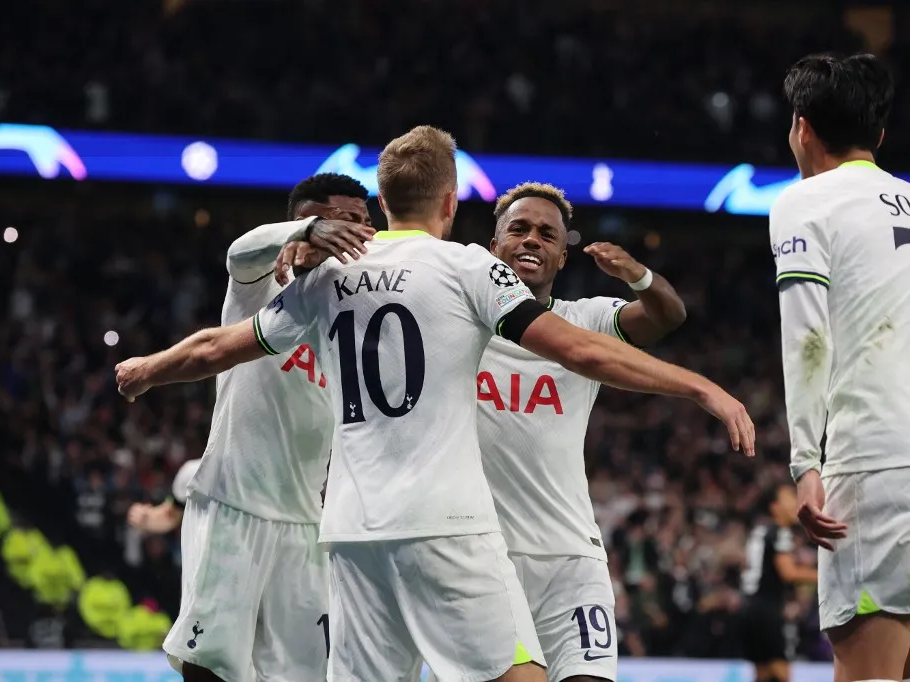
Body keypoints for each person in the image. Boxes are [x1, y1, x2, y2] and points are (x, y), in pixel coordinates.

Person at [116, 125, 755, 682]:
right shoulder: (468, 268)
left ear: (382, 203)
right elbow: (581, 352)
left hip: (350, 533)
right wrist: (699, 385)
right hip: (446, 526)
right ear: (451, 202)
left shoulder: (327, 279)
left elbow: (216, 349)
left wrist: (147, 369)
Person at [156, 173, 375, 682]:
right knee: (209, 663)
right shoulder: (262, 283)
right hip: (233, 505)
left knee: (305, 673)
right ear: (306, 221)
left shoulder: (352, 310)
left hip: (305, 524)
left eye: (368, 223)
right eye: (349, 221)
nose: (363, 233)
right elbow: (239, 251)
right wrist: (306, 233)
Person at [472, 182, 686, 682]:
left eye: (548, 234)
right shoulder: (460, 323)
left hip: (572, 560)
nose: (532, 241)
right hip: (483, 562)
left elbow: (668, 316)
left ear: (562, 258)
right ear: (492, 248)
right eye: (519, 229)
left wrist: (639, 275)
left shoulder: (584, 320)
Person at [771, 52, 910, 682]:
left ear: (802, 127)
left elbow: (807, 340)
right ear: (878, 136)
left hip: (877, 465)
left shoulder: (805, 202)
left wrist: (806, 463)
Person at [738, 483, 817, 682]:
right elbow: (788, 573)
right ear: (774, 507)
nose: (794, 503)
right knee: (782, 673)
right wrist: (824, 575)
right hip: (768, 610)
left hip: (748, 607)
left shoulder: (760, 531)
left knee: (762, 675)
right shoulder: (780, 532)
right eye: (789, 498)